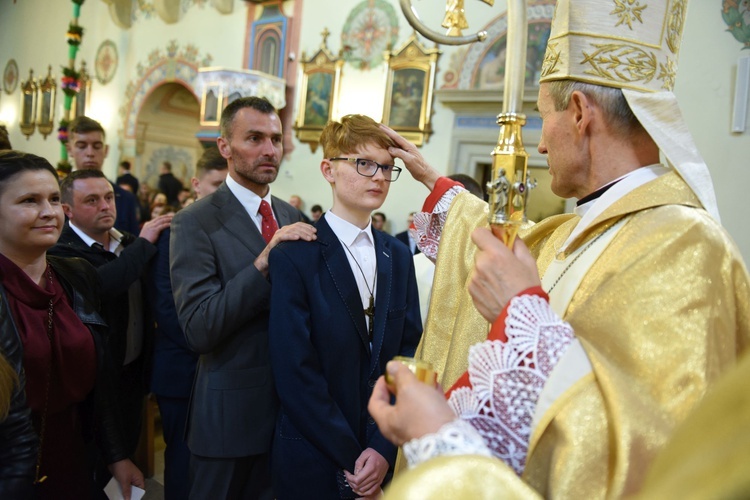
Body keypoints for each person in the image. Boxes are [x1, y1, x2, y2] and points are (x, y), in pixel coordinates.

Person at [370, 0, 750, 497]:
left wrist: (517, 311)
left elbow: (652, 456)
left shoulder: (688, 246)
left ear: (578, 114)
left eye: (542, 117)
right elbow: (518, 242)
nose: (542, 144)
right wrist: (436, 184)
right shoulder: (585, 229)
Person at [268, 114, 422, 498]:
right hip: (313, 450)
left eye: (387, 168)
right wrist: (355, 456)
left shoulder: (397, 255)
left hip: (380, 449)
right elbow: (295, 371)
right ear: (329, 170)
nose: (379, 177)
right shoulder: (295, 256)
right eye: (363, 164)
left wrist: (384, 447)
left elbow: (409, 353)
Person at [170, 96, 315, 499]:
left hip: (289, 415)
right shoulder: (195, 222)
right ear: (225, 147)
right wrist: (263, 262)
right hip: (228, 421)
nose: (269, 150)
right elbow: (199, 328)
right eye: (254, 138)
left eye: (275, 138)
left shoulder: (291, 216)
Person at [0, 150, 144, 499]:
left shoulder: (76, 276)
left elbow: (102, 378)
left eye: (52, 199)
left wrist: (116, 454)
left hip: (78, 456)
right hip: (10, 465)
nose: (49, 212)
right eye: (29, 201)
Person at [48, 169, 172, 474]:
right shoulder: (62, 252)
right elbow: (101, 285)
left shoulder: (127, 243)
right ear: (68, 211)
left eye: (108, 197)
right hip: (93, 383)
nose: (105, 206)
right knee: (93, 466)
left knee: (126, 456)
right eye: (92, 200)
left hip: (132, 375)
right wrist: (144, 244)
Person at [149, 145, 227, 500]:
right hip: (183, 367)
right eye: (216, 185)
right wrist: (211, 340)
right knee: (182, 464)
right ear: (196, 184)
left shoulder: (230, 231)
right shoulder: (174, 231)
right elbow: (167, 308)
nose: (223, 194)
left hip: (225, 370)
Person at [67, 117, 140, 235]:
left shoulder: (126, 199)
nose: (90, 153)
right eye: (82, 146)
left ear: (106, 150)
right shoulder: (55, 196)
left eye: (96, 146)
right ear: (69, 149)